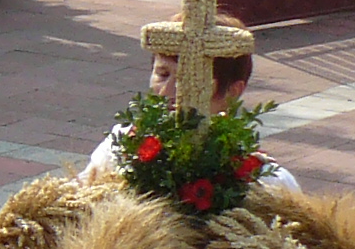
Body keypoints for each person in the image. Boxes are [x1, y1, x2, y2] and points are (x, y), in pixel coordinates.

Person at [82, 13, 300, 193]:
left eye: (188, 80)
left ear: (233, 91)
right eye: (162, 74)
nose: (167, 92)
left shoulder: (268, 183)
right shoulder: (119, 149)